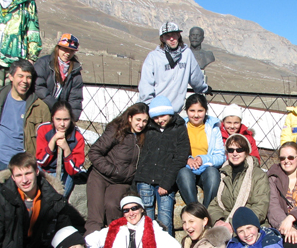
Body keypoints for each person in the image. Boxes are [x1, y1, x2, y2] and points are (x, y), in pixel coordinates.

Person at [0, 59, 50, 200]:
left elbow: (46, 141)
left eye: (28, 77)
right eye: (20, 76)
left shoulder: (40, 108)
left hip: (23, 167)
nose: (24, 81)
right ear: (11, 77)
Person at [85, 102, 149, 234]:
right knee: (96, 215)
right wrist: (112, 170)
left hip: (121, 182)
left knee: (113, 206)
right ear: (130, 118)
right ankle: (91, 244)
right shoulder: (117, 130)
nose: (141, 124)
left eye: (144, 121)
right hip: (100, 176)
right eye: (138, 120)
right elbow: (94, 152)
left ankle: (113, 240)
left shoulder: (144, 136)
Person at [135, 96, 190, 236]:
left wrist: (167, 183)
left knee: (165, 220)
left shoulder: (179, 128)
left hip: (166, 180)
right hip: (145, 178)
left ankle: (166, 247)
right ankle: (147, 247)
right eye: (155, 117)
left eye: (163, 115)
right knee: (145, 220)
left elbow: (181, 157)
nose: (159, 120)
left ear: (170, 113)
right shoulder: (148, 128)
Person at [139, 22, 209, 113]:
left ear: (179, 35)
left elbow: (195, 77)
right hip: (156, 111)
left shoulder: (187, 54)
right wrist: (149, 107)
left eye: (174, 35)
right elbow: (146, 84)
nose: (171, 39)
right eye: (167, 36)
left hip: (174, 112)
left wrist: (204, 88)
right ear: (162, 38)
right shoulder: (153, 57)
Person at [207, 134, 269, 226]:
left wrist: (233, 224)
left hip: (248, 225)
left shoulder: (258, 175)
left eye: (239, 150)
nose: (235, 153)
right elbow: (215, 204)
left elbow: (260, 208)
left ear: (246, 152)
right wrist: (217, 220)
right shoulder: (224, 173)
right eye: (231, 150)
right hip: (224, 223)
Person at [176, 94, 224, 208]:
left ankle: (206, 210)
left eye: (200, 111)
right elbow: (174, 152)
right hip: (186, 167)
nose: (196, 115)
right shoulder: (179, 127)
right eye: (192, 111)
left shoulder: (213, 128)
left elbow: (220, 156)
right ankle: (195, 210)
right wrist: (187, 160)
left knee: (213, 174)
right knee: (184, 174)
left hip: (206, 168)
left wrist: (203, 159)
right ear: (186, 111)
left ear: (205, 111)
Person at [35, 101, 85, 198]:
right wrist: (53, 141)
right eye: (58, 119)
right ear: (52, 118)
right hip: (45, 170)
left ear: (71, 119)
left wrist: (66, 149)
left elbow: (74, 170)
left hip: (64, 172)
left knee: (57, 199)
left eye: (66, 119)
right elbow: (41, 161)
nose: (62, 124)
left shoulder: (77, 137)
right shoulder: (43, 130)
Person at [34, 33, 83, 121]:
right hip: (40, 108)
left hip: (60, 115)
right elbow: (38, 87)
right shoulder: (43, 63)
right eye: (65, 49)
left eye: (71, 51)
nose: (68, 53)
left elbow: (75, 98)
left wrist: (71, 119)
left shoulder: (75, 71)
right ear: (58, 48)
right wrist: (55, 106)